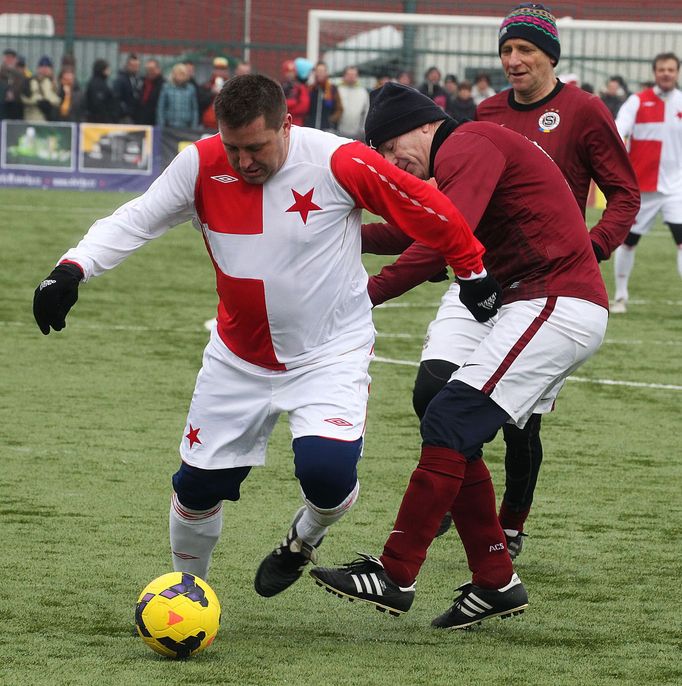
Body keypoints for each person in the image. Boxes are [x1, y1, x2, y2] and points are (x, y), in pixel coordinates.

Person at [33, 74, 496, 602]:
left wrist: (473, 270)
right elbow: (136, 219)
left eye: (255, 147)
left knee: (326, 475)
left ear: (287, 125)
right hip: (238, 360)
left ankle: (304, 537)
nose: (243, 161)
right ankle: (189, 592)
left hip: (329, 353)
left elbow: (427, 207)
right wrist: (72, 267)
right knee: (196, 488)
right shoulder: (201, 163)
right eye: (233, 147)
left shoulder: (338, 160)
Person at [310, 81, 609, 630]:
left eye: (388, 144)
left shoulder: (467, 143)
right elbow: (413, 230)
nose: (386, 158)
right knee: (442, 409)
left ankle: (397, 573)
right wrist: (325, 234)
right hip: (531, 300)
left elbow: (440, 240)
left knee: (451, 416)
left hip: (556, 300)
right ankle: (495, 580)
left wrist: (363, 296)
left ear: (425, 125)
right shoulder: (462, 150)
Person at [373, 1, 639, 552]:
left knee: (519, 423)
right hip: (481, 272)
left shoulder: (585, 111)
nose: (514, 61)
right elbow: (448, 214)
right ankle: (454, 495)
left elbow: (624, 194)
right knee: (435, 392)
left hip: (553, 287)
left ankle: (509, 525)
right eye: (507, 51)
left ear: (550, 56)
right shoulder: (484, 115)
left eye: (526, 50)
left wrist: (593, 246)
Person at [612, 52, 682, 313]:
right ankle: (620, 296)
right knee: (629, 241)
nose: (666, 73)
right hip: (643, 188)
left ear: (677, 73)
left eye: (671, 70)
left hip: (676, 187)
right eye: (662, 69)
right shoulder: (637, 101)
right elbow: (618, 130)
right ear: (655, 72)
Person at [156, 63, 199, 129]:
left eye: (182, 74)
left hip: (186, 126)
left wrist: (194, 126)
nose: (180, 76)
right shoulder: (166, 87)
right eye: (177, 73)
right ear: (173, 74)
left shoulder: (191, 88)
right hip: (169, 125)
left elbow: (194, 109)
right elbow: (161, 107)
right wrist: (161, 126)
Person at [305, 61, 342, 132]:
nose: (320, 73)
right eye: (318, 71)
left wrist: (331, 120)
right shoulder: (310, 89)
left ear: (326, 73)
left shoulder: (332, 89)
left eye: (322, 71)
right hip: (311, 129)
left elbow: (339, 109)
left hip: (327, 129)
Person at [336, 65, 370, 140]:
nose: (351, 77)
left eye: (354, 75)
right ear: (344, 76)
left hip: (357, 134)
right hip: (338, 132)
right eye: (349, 74)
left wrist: (363, 130)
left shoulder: (363, 92)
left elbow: (366, 111)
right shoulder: (337, 90)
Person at [85, 58, 119, 123]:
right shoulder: (97, 84)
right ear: (102, 70)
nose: (109, 71)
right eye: (107, 69)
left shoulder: (102, 82)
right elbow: (98, 104)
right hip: (100, 120)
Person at [200, 56, 230, 130]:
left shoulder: (231, 86)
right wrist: (211, 93)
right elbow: (200, 103)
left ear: (226, 71)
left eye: (222, 69)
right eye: (217, 69)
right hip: (208, 125)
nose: (220, 72)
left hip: (226, 126)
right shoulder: (206, 85)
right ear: (213, 70)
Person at [112, 53, 142, 124]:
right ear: (127, 65)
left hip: (136, 115)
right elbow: (116, 98)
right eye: (133, 66)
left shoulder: (139, 79)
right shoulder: (120, 79)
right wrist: (125, 110)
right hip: (125, 117)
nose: (136, 68)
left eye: (137, 66)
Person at [280, 58, 310, 126]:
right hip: (282, 123)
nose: (290, 74)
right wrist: (294, 103)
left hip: (297, 123)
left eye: (292, 72)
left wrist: (287, 108)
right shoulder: (280, 86)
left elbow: (303, 107)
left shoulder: (301, 87)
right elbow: (277, 104)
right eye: (287, 72)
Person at [1, 47, 25, 120]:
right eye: (7, 57)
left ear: (15, 60)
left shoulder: (19, 75)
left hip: (15, 110)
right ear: (3, 58)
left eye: (12, 58)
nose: (9, 60)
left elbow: (21, 89)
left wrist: (13, 94)